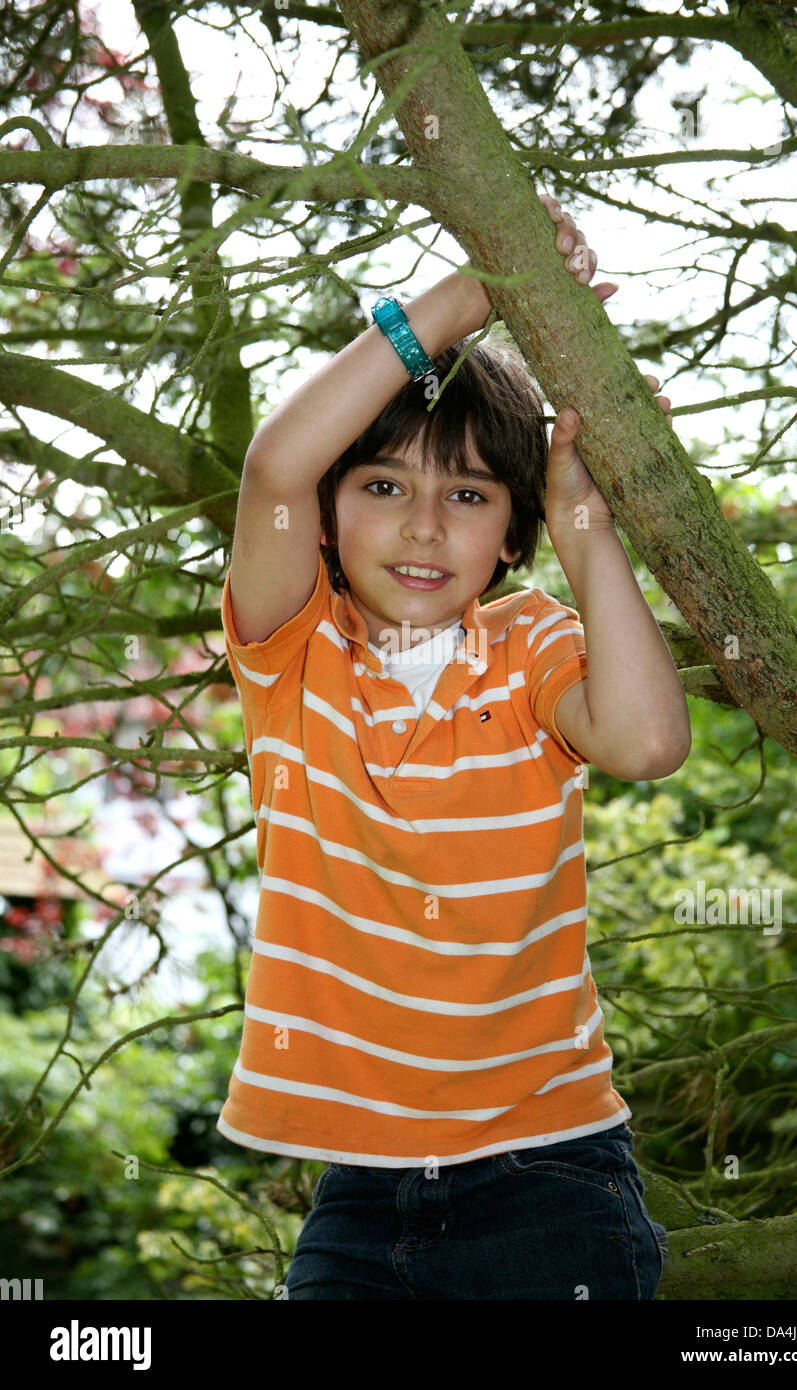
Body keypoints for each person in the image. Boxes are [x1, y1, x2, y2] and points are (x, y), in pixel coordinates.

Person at [218, 192, 690, 1299]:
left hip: (552, 1177)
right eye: (383, 485)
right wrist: (470, 294)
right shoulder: (294, 655)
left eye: (466, 493)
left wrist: (583, 525)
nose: (424, 525)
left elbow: (645, 739)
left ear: (509, 527)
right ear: (326, 518)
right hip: (359, 1197)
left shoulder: (531, 648)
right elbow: (275, 466)